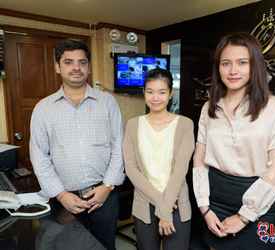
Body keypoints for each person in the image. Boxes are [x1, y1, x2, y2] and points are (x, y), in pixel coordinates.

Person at [193, 32, 275, 249]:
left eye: (242, 62)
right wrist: (204, 208)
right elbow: (199, 159)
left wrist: (245, 216)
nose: (233, 70)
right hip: (214, 198)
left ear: (254, 66)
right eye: (226, 63)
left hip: (259, 201)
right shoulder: (208, 107)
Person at [30, 39, 124, 250]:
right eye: (68, 62)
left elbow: (119, 146)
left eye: (82, 62)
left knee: (105, 245)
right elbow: (39, 155)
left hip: (104, 197)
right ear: (57, 66)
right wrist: (61, 195)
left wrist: (107, 186)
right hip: (64, 199)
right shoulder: (43, 109)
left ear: (88, 67)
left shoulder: (107, 102)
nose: (76, 68)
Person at [123, 68, 194, 250]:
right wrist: (162, 205)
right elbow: (131, 169)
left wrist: (166, 207)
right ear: (144, 93)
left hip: (177, 203)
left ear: (170, 94)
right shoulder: (132, 125)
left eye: (162, 92)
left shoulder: (185, 124)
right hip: (144, 204)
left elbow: (180, 170)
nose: (156, 98)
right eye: (150, 92)